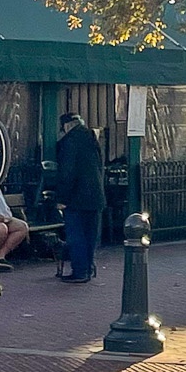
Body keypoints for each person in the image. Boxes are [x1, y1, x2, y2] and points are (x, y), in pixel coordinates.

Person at [55, 112, 105, 282]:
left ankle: (80, 271)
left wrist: (61, 198)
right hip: (95, 196)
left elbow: (67, 173)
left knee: (76, 236)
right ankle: (89, 268)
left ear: (66, 126)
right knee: (90, 235)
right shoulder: (91, 138)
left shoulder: (69, 141)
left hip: (76, 198)